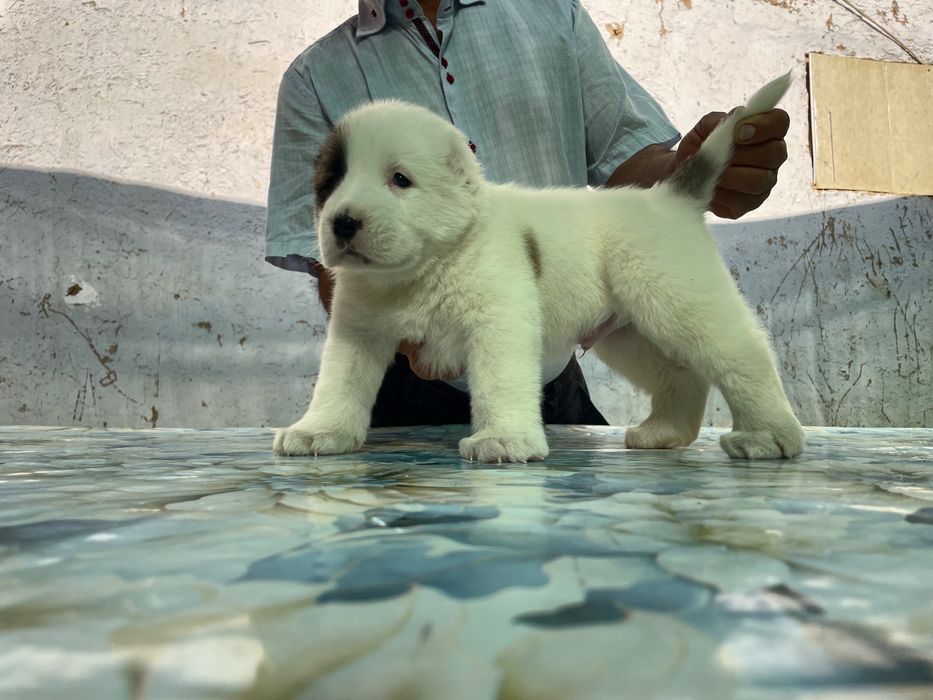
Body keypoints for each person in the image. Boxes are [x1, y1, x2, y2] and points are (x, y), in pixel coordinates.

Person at [265, 0, 789, 427]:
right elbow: (331, 271)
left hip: (554, 375)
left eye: (398, 180)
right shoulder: (313, 77)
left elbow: (632, 165)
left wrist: (688, 170)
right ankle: (681, 408)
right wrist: (407, 322)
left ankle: (751, 412)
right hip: (404, 396)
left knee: (681, 329)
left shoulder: (554, 15)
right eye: (336, 182)